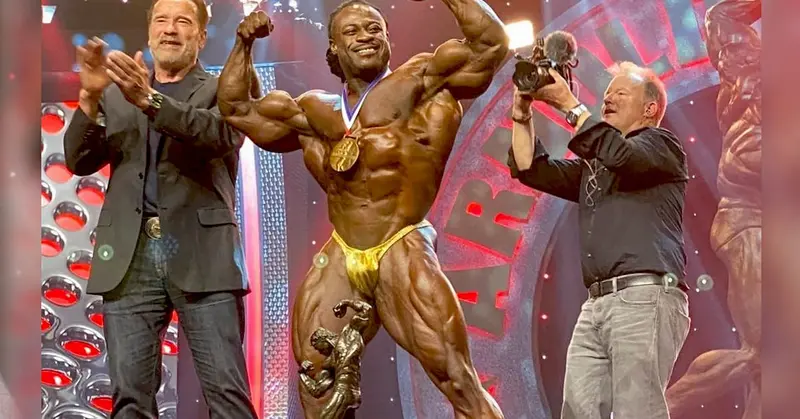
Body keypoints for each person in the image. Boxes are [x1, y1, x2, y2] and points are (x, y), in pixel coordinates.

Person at [217, 0, 508, 417]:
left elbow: (490, 45)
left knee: (457, 379)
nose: (366, 36)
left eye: (374, 28)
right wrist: (243, 43)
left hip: (400, 242)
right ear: (334, 48)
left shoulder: (422, 81)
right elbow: (237, 108)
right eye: (352, 31)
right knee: (317, 378)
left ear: (388, 39)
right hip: (343, 250)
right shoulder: (314, 110)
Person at [63, 0, 258, 417]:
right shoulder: (118, 94)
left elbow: (221, 136)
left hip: (203, 254)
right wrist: (90, 97)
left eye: (183, 21)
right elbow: (78, 161)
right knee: (130, 398)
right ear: (150, 32)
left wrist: (150, 100)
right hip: (130, 258)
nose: (170, 29)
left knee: (227, 394)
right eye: (161, 20)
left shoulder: (222, 88)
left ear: (201, 37)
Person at [507, 63, 691, 419]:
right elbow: (531, 168)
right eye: (607, 93)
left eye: (621, 92)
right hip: (596, 304)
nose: (608, 98)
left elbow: (623, 155)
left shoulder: (662, 145)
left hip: (645, 295)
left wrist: (569, 104)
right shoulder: (596, 168)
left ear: (650, 108)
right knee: (578, 409)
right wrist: (521, 113)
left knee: (637, 411)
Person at [666, 1, 761, 417]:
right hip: (749, 224)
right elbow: (720, 18)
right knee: (765, 353)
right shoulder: (748, 84)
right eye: (726, 53)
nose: (729, 58)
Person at [298, 299, 374, 418]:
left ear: (323, 339)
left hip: (344, 392)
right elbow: (317, 390)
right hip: (351, 393)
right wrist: (302, 374)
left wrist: (346, 303)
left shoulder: (348, 333)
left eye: (317, 347)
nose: (319, 351)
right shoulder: (330, 362)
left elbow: (366, 309)